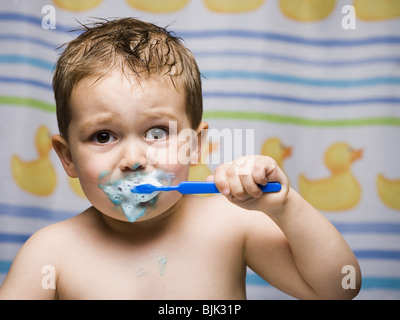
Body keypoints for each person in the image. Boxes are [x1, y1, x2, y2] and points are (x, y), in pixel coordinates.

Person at [0, 18, 360, 300]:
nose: (133, 159)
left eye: (157, 133)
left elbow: (338, 287)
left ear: (195, 144)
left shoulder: (233, 224)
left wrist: (284, 208)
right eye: (103, 136)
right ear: (68, 157)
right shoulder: (51, 251)